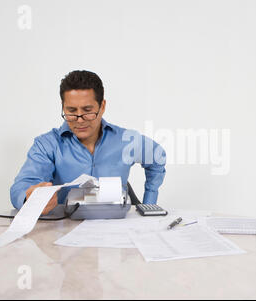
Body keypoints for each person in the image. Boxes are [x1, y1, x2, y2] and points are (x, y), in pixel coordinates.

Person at [10, 70, 166, 214]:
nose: (79, 120)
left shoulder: (126, 140)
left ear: (102, 106)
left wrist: (149, 204)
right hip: (65, 229)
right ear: (63, 107)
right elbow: (22, 185)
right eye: (71, 111)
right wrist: (28, 198)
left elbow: (157, 156)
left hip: (117, 229)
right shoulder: (47, 144)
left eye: (87, 110)